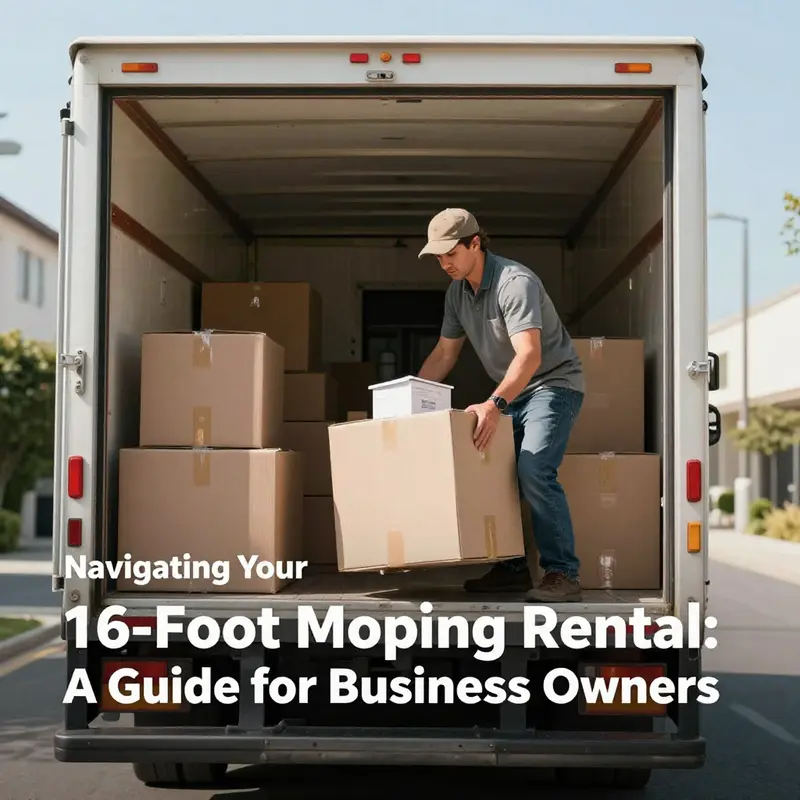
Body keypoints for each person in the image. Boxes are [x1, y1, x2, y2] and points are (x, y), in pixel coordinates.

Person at [417, 208, 585, 602]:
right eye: (438, 257)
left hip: (552, 386)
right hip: (514, 392)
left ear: (475, 243)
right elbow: (444, 354)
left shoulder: (515, 283)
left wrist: (493, 404)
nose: (444, 263)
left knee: (533, 466)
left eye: (451, 253)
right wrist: (410, 398)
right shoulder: (457, 294)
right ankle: (511, 567)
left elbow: (529, 357)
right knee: (491, 470)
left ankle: (563, 572)